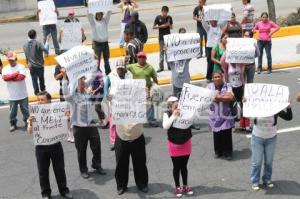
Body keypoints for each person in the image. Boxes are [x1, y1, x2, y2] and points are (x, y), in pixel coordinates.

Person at [27, 91, 73, 199]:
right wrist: (30, 123)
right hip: (41, 147)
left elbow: (67, 127)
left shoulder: (57, 111)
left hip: (55, 145)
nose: (39, 102)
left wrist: (67, 118)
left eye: (42, 100)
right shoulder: (34, 114)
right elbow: (30, 132)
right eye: (38, 100)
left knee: (60, 169)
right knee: (43, 172)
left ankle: (64, 190)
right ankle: (46, 193)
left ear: (49, 101)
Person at [62, 72, 106, 179]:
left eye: (83, 83)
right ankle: (83, 169)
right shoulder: (71, 97)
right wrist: (65, 76)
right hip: (78, 126)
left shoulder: (87, 93)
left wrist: (93, 64)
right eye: (80, 83)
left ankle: (97, 164)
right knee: (81, 150)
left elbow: (91, 78)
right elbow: (66, 91)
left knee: (96, 146)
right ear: (75, 86)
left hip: (90, 124)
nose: (83, 85)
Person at [249, 105, 292, 191]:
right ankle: (255, 181)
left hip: (271, 138)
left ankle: (267, 179)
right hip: (257, 137)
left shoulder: (275, 107)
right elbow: (245, 114)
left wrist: (288, 108)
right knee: (256, 162)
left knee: (269, 161)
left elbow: (288, 117)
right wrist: (245, 103)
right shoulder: (256, 107)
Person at [162, 96, 194, 198]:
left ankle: (185, 185)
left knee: (184, 166)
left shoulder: (185, 112)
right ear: (169, 104)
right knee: (176, 167)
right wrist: (174, 115)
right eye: (173, 102)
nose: (176, 103)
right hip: (174, 144)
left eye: (177, 101)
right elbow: (165, 126)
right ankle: (177, 187)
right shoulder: (167, 114)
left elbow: (191, 120)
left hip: (186, 142)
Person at [114, 110, 149, 195]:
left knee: (140, 162)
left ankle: (142, 183)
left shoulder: (139, 99)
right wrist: (110, 98)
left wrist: (147, 97)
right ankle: (121, 185)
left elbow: (146, 109)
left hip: (137, 135)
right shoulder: (117, 98)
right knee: (121, 163)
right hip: (122, 136)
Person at [104, 59, 133, 151]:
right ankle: (113, 142)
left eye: (121, 68)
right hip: (114, 104)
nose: (119, 70)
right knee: (113, 124)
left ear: (124, 68)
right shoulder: (111, 76)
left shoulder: (129, 75)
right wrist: (106, 95)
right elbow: (105, 87)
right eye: (118, 68)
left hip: (126, 103)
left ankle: (127, 139)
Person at [207, 72, 235, 160]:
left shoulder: (228, 86)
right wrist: (223, 97)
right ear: (213, 78)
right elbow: (207, 98)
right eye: (215, 77)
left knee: (226, 134)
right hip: (214, 115)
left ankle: (228, 152)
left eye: (219, 76)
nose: (217, 78)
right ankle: (218, 151)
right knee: (217, 134)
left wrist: (218, 97)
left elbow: (230, 98)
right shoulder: (209, 87)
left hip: (226, 115)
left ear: (222, 77)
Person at [127, 51, 158, 127]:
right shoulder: (132, 66)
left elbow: (155, 78)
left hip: (147, 89)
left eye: (143, 57)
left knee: (149, 105)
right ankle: (137, 120)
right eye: (139, 57)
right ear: (137, 58)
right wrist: (125, 61)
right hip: (137, 89)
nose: (141, 59)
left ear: (145, 58)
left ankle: (151, 120)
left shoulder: (150, 67)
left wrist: (154, 88)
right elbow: (123, 69)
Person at [2, 52, 29, 132]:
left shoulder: (21, 66)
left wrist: (11, 77)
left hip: (23, 94)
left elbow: (21, 77)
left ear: (16, 59)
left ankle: (27, 123)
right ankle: (13, 124)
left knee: (25, 110)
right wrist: (15, 74)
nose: (11, 62)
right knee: (12, 112)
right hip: (12, 95)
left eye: (12, 60)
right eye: (9, 60)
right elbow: (5, 78)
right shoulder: (5, 68)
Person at [220, 54, 248, 131]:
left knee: (243, 105)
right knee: (232, 106)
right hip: (231, 87)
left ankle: (243, 124)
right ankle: (233, 124)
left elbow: (243, 75)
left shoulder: (240, 63)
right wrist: (227, 51)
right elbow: (221, 62)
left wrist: (244, 86)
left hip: (240, 86)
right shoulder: (227, 65)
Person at [168, 28, 191, 98]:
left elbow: (192, 53)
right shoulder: (172, 59)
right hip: (176, 82)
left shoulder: (186, 58)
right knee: (176, 100)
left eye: (184, 34)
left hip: (186, 81)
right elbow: (168, 58)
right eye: (181, 34)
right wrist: (167, 51)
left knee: (186, 99)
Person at [23, 29, 48, 95]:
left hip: (31, 65)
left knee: (34, 80)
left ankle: (36, 92)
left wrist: (27, 63)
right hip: (39, 65)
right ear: (35, 35)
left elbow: (26, 55)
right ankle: (42, 90)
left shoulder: (25, 45)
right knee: (41, 79)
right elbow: (45, 49)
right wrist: (47, 42)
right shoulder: (38, 43)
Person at [88, 10, 112, 75]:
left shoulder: (105, 21)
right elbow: (89, 15)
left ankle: (108, 71)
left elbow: (109, 13)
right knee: (96, 60)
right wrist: (89, 6)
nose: (99, 15)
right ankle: (97, 73)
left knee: (106, 59)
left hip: (105, 43)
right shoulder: (93, 22)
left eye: (100, 14)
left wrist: (109, 4)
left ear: (102, 14)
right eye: (97, 14)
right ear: (95, 15)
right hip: (96, 44)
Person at [153, 6, 173, 72]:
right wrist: (161, 26)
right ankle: (161, 67)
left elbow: (171, 27)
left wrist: (169, 24)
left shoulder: (169, 17)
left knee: (168, 52)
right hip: (161, 37)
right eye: (164, 12)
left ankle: (169, 66)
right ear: (162, 11)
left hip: (168, 37)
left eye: (166, 13)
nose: (165, 14)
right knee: (162, 52)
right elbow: (153, 27)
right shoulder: (158, 17)